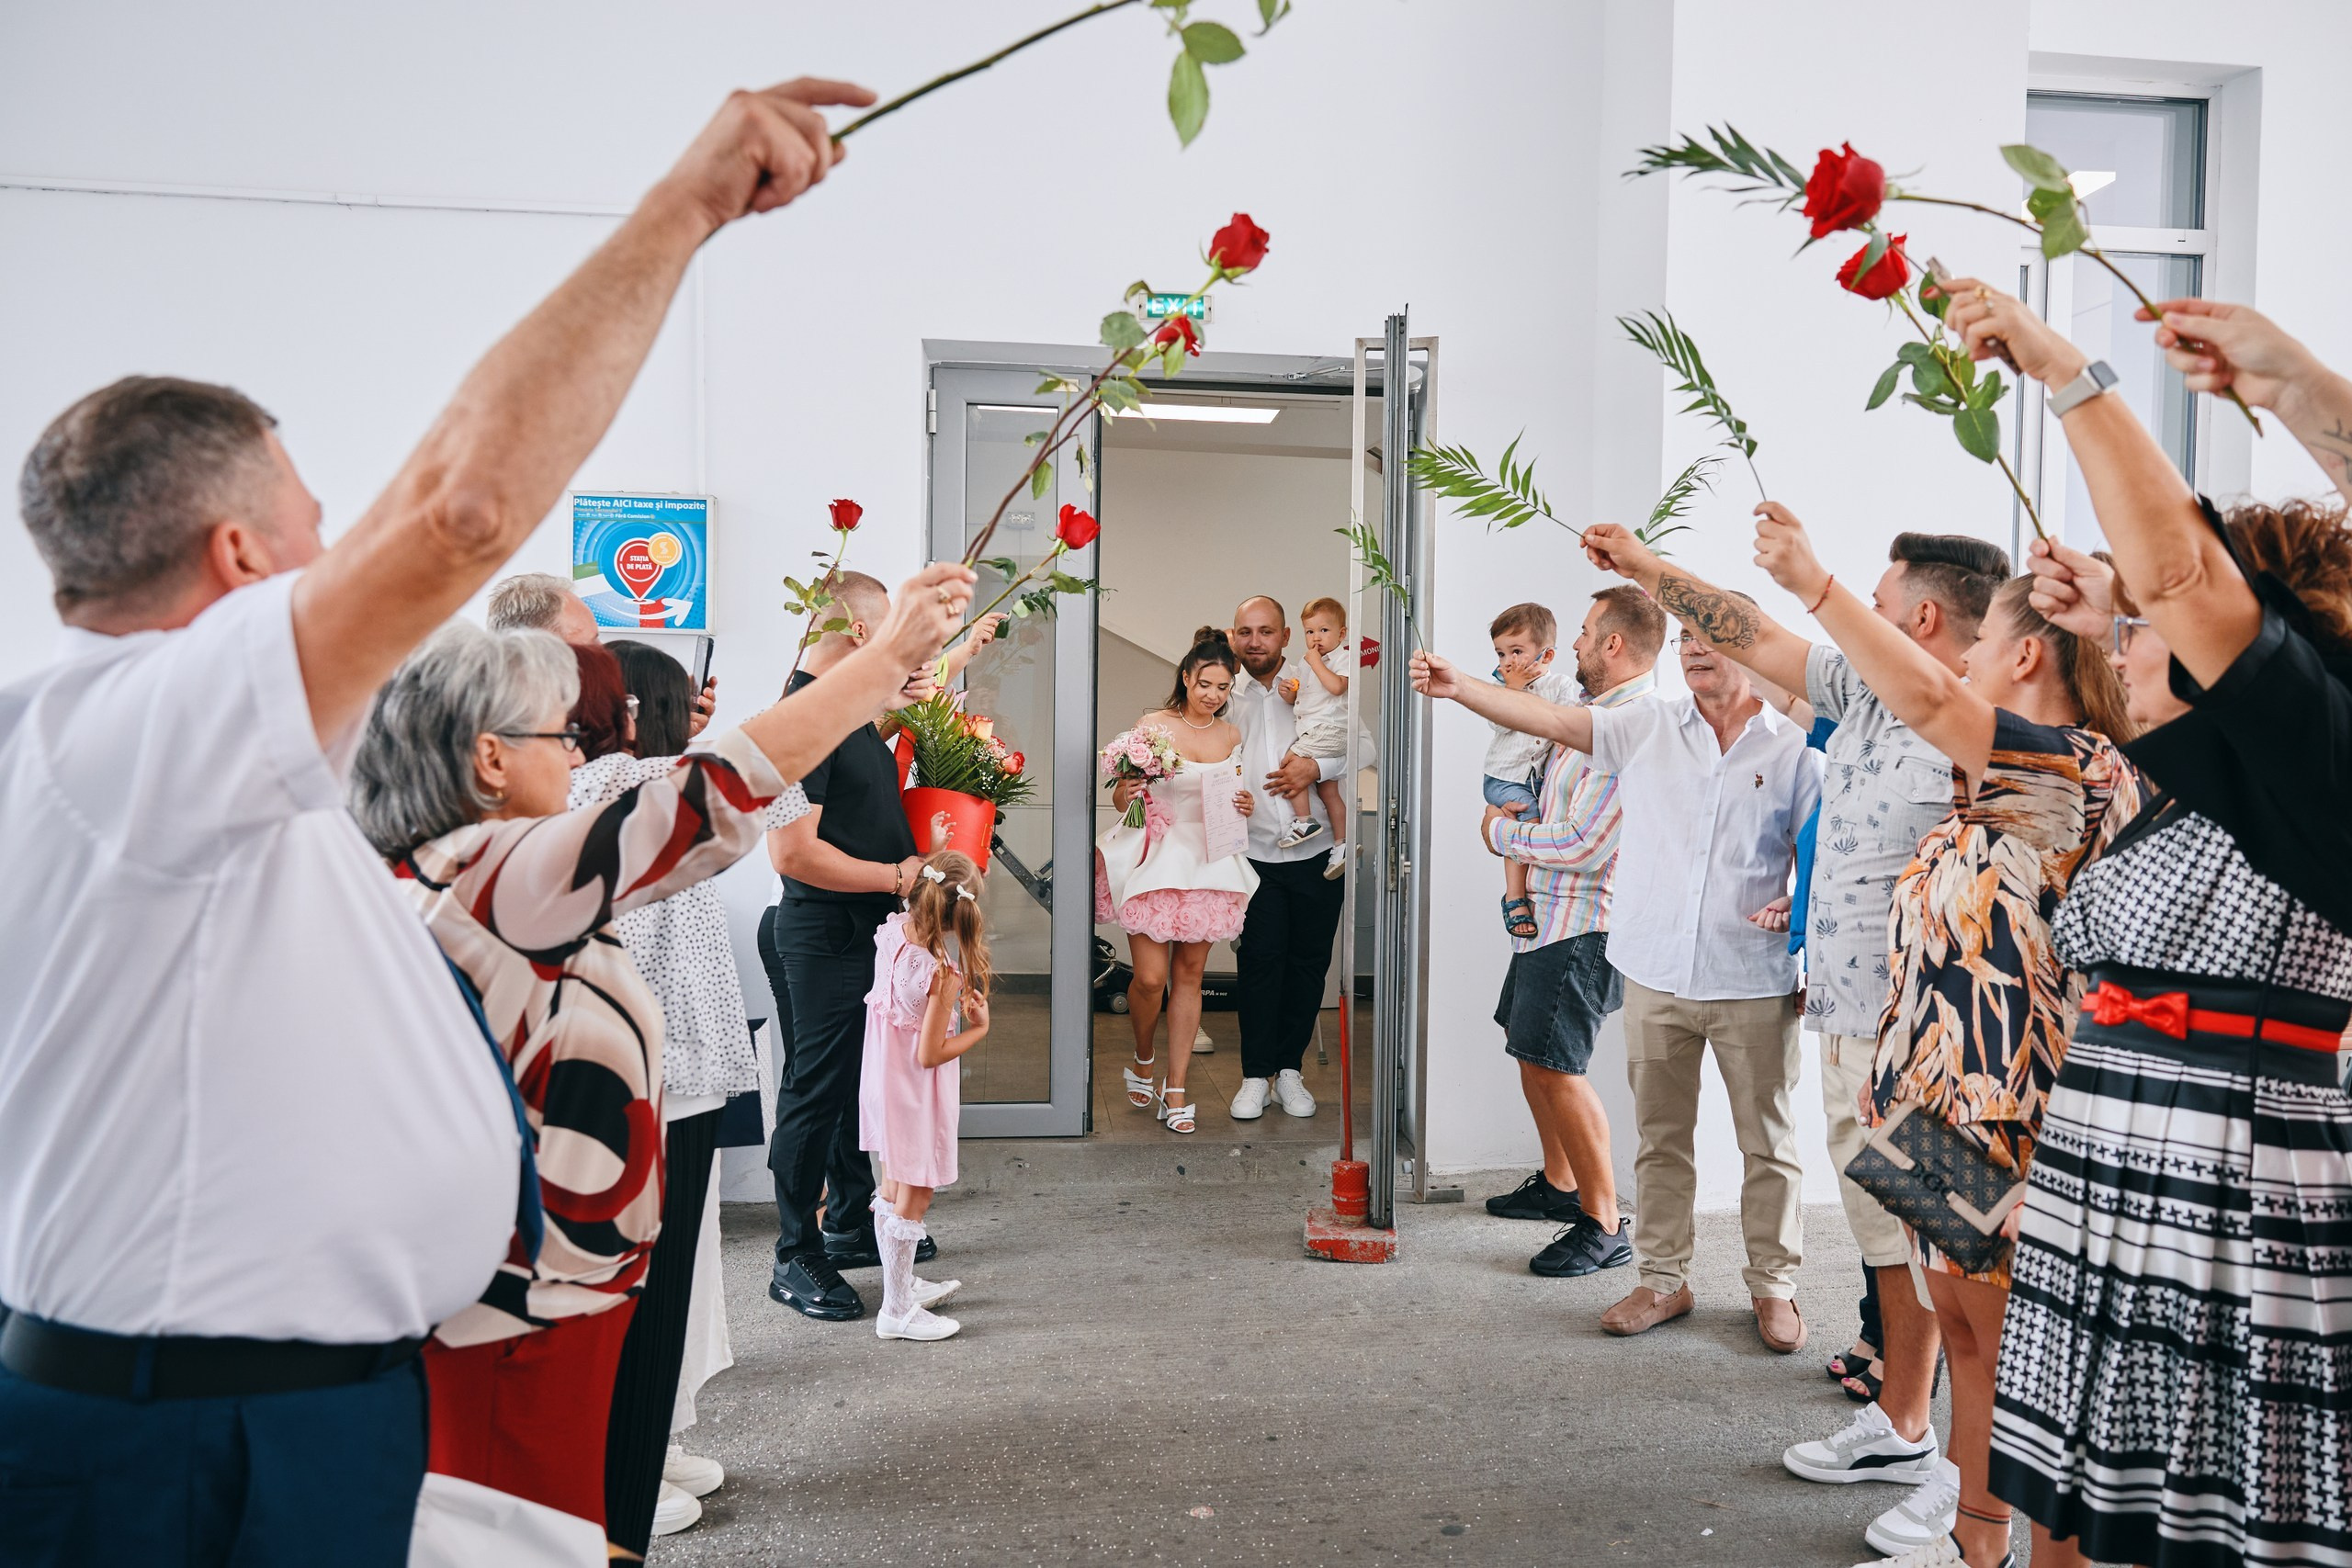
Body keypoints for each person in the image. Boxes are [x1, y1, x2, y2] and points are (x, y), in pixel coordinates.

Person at [0, 73, 874, 1567]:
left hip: (285, 1397)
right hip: (199, 1430)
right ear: (232, 554)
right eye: (313, 522)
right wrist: (685, 209)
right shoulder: (149, 727)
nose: (340, 549)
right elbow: (462, 511)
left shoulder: (123, 750)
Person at [345, 564, 965, 1553]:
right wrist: (884, 656)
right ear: (490, 758)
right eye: (563, 728)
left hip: (545, 1275)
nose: (583, 742)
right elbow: (718, 795)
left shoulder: (458, 862)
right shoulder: (497, 875)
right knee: (536, 1516)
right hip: (528, 1292)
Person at [1941, 281, 2352, 1568]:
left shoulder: (2316, 769)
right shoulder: (2181, 782)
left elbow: (2183, 580)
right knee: (2093, 1501)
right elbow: (2168, 593)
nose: (2129, 635)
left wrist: (2071, 370)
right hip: (2117, 1150)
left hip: (2236, 1172)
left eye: (2153, 621)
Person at [1574, 521, 2010, 1553]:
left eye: (1878, 588)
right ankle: (1903, 1424)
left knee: (1961, 1271)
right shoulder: (1857, 693)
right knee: (1888, 1251)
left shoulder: (1976, 721)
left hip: (1935, 1045)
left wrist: (1813, 580)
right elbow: (1753, 632)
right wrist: (1648, 572)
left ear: (1921, 613)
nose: (1860, 598)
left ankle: (1973, 1488)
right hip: (1849, 1024)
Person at [1724, 502, 2140, 1568]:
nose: (1968, 672)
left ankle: (1990, 1534)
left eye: (1987, 649)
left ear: (2027, 653)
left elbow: (1917, 687)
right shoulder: (1974, 797)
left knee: (1999, 1344)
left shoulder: (2070, 775)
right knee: (1955, 1326)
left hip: (2017, 1107)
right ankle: (1972, 1539)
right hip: (1928, 1099)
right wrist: (1892, 1077)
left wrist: (1814, 584)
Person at [1415, 605, 1820, 1349]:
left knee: (1768, 1142)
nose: (1696, 651)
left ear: (1753, 651)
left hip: (1751, 977)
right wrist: (1462, 686)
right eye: (1688, 639)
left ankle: (1773, 1288)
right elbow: (1553, 721)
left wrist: (1800, 912)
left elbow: (1819, 848)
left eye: (1714, 639)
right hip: (1657, 971)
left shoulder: (1793, 746)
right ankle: (1663, 1280)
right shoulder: (1651, 725)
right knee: (1661, 1139)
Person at [571, 638, 792, 1549]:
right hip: (649, 1080)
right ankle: (620, 1468)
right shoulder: (630, 786)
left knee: (683, 1276)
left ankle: (656, 1442)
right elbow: (784, 777)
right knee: (649, 1278)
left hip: (684, 1074)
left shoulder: (645, 782)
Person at [763, 570, 950, 1322]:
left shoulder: (838, 715)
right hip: (823, 932)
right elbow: (790, 854)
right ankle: (793, 1255)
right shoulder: (799, 720)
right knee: (815, 1093)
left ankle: (845, 1224)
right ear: (867, 635)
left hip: (859, 930)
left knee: (846, 1091)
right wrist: (899, 875)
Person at [1462, 588, 1663, 1279]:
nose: (1572, 645)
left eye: (1582, 633)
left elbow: (1585, 841)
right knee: (1530, 1050)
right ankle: (1560, 1183)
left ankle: (1603, 1222)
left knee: (1559, 1065)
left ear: (1612, 644)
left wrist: (1499, 833)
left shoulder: (1630, 724)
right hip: (1547, 918)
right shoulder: (1589, 715)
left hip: (1583, 923)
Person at [1098, 628, 1261, 1134]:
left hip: (1209, 861)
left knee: (1189, 977)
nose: (1214, 695)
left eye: (1224, 687)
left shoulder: (1231, 736)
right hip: (1156, 856)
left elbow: (1235, 798)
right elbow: (1125, 802)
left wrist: (1246, 805)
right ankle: (1144, 1055)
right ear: (1187, 677)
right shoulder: (1153, 727)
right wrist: (1125, 793)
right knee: (1148, 978)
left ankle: (1177, 1087)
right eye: (1206, 683)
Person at [1225, 595, 1373, 1120]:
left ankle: (1289, 1070)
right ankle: (1253, 1074)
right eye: (1246, 631)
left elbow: (1363, 748)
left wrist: (1317, 766)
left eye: (1266, 631)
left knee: (1309, 965)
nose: (1255, 640)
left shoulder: (1314, 678)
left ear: (1286, 636)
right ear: (1233, 636)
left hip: (1316, 857)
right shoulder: (1223, 692)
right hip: (1254, 855)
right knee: (1260, 965)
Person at [863, 850, 995, 1342]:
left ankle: (900, 1285)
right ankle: (896, 1310)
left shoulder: (893, 931)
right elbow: (930, 1054)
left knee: (893, 1188)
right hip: (913, 1094)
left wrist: (938, 841)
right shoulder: (942, 974)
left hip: (882, 1082)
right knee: (914, 1198)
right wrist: (978, 1029)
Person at [490, 572, 719, 734]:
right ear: (539, 649)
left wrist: (668, 732)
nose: (604, 652)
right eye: (591, 643)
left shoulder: (572, 710)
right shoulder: (513, 729)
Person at [1480, 602, 1582, 942]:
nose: (1507, 662)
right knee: (1529, 820)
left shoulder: (1562, 687)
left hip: (1535, 778)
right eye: (1500, 653)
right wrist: (1513, 690)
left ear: (1547, 657)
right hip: (1504, 778)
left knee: (1538, 816)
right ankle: (1515, 896)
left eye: (1517, 651)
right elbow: (1497, 721)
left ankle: (1529, 888)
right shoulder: (1501, 687)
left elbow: (1568, 727)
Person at [1270, 594, 1356, 879]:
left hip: (1329, 730)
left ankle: (1304, 821)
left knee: (1289, 763)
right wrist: (1289, 692)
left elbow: (1337, 688)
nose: (1316, 637)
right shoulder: (1306, 663)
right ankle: (1343, 844)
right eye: (1310, 631)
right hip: (1315, 729)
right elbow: (1303, 699)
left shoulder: (1342, 657)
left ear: (1341, 633)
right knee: (1328, 790)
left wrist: (1316, 662)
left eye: (1324, 630)